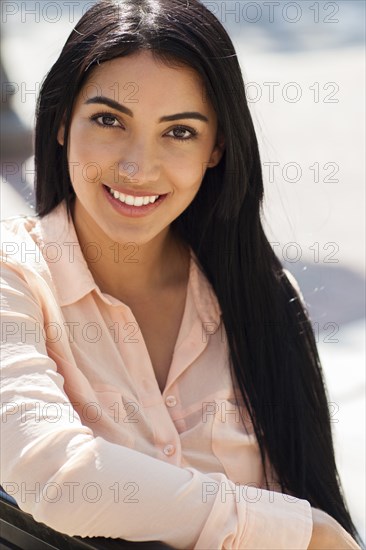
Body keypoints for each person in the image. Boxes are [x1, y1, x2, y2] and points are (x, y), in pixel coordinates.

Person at [0, 0, 363, 548]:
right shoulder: (14, 282)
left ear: (216, 149)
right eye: (108, 120)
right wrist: (299, 531)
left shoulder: (262, 297)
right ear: (60, 122)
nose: (137, 167)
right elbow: (58, 476)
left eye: (180, 132)